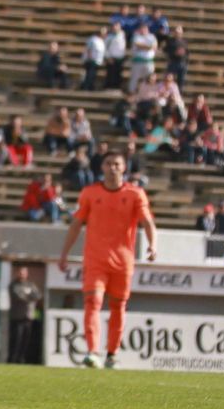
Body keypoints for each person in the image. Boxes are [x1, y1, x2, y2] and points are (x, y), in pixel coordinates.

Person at [57, 151, 157, 369]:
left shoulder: (135, 194)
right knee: (92, 303)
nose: (113, 168)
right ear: (101, 167)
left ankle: (112, 354)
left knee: (118, 307)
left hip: (123, 262)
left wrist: (152, 245)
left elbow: (147, 222)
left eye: (117, 164)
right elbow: (76, 225)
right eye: (108, 163)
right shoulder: (90, 193)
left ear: (124, 168)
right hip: (95, 260)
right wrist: (64, 253)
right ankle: (93, 352)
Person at [7, 266, 43, 364]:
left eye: (24, 272)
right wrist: (30, 297)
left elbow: (38, 295)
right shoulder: (14, 285)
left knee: (25, 340)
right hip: (17, 317)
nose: (22, 274)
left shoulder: (30, 284)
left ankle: (21, 359)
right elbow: (18, 296)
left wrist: (28, 296)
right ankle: (12, 359)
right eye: (20, 272)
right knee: (16, 340)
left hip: (28, 317)